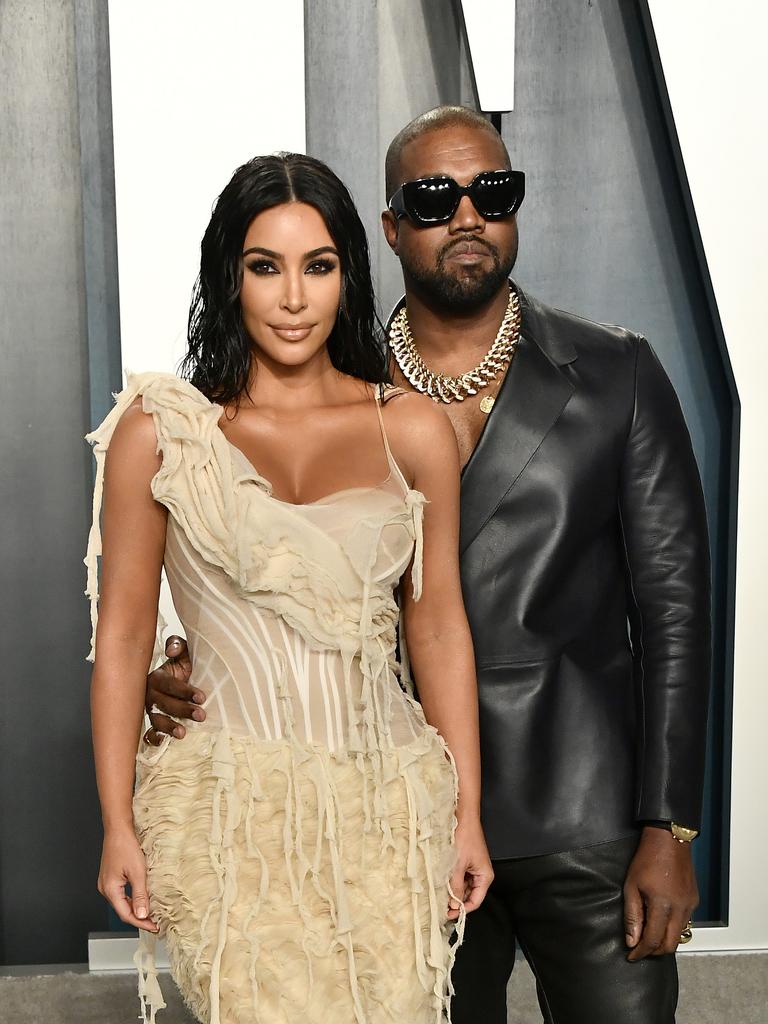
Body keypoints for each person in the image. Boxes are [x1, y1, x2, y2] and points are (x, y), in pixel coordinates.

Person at [145, 108, 712, 1023]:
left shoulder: (617, 374)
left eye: (493, 193)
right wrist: (177, 665)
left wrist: (670, 826)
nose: (467, 216)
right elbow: (263, 572)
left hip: (588, 815)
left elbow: (677, 612)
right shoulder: (336, 390)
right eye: (433, 197)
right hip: (400, 817)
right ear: (391, 227)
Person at [86, 151, 493, 1024]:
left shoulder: (411, 429)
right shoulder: (164, 435)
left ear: (349, 271)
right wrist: (118, 822)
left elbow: (439, 629)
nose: (295, 297)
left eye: (319, 265)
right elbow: (121, 641)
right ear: (229, 278)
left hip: (388, 803)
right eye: (265, 267)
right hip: (223, 817)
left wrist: (468, 815)